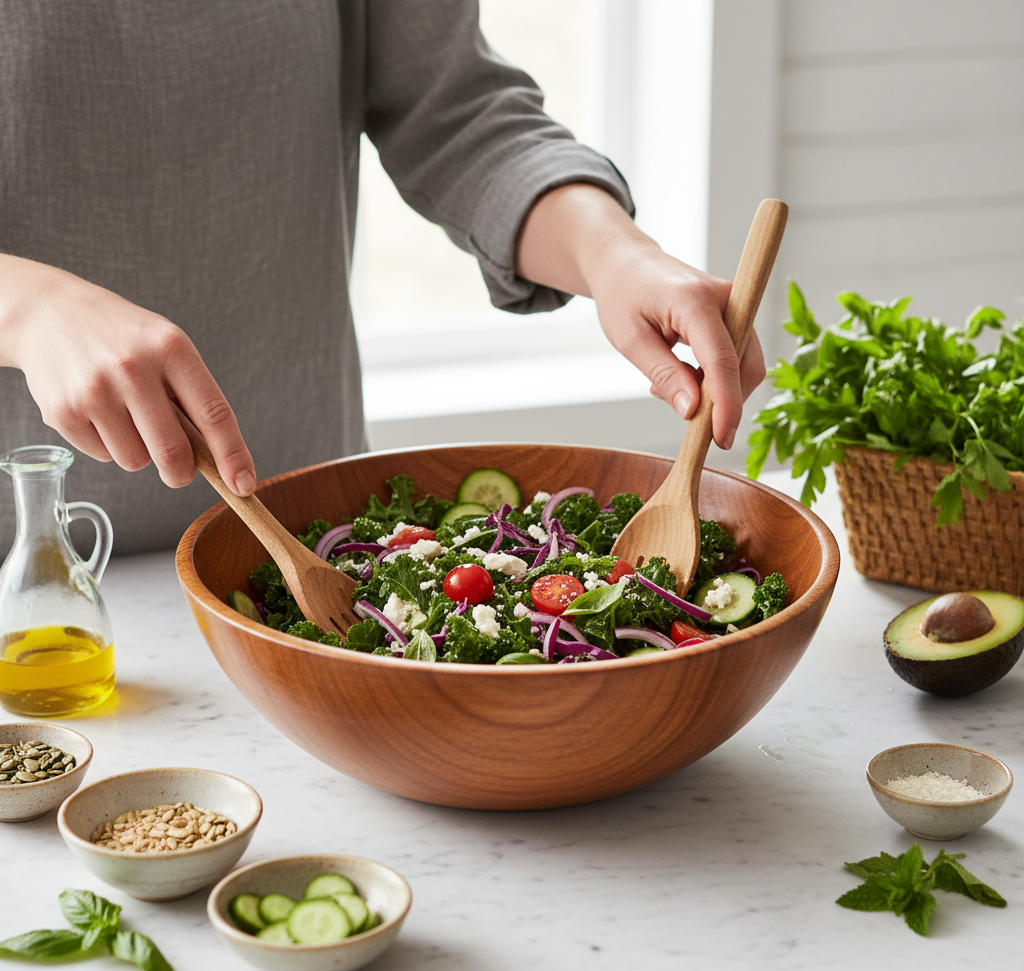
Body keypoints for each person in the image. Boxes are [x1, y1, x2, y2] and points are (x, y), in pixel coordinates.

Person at [0, 0, 764, 555]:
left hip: (305, 544)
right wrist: (28, 309)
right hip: (27, 584)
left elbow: (455, 109)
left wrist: (613, 254)